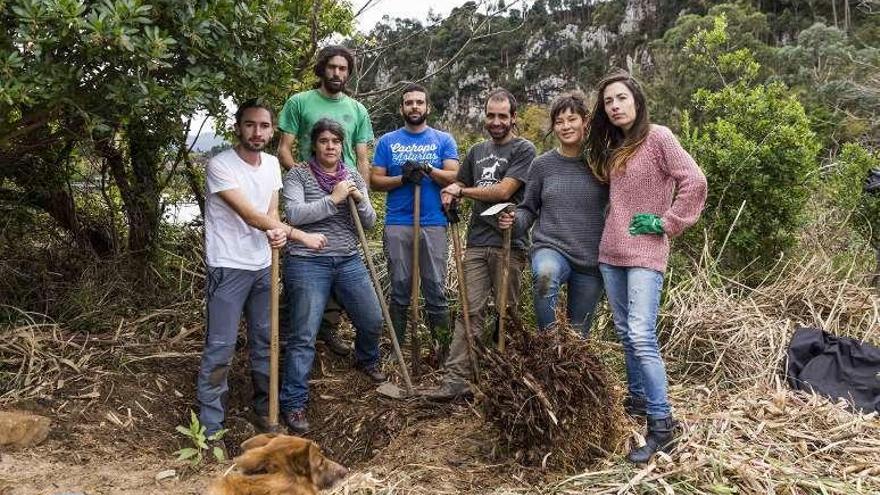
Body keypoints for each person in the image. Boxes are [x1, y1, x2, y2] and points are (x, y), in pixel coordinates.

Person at [586, 70, 707, 463]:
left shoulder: (658, 137)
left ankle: (662, 425)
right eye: (608, 102)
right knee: (625, 333)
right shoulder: (614, 145)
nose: (616, 106)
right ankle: (638, 401)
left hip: (646, 252)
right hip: (611, 252)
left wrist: (667, 222)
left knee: (641, 334)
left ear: (636, 100)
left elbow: (694, 180)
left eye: (621, 98)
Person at [198, 99, 327, 443]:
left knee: (266, 342)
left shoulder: (271, 164)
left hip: (264, 265)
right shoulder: (219, 165)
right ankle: (210, 428)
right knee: (221, 346)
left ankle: (265, 411)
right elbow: (250, 216)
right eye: (251, 125)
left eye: (265, 126)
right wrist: (297, 234)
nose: (258, 132)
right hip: (228, 266)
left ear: (272, 131)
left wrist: (276, 230)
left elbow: (270, 211)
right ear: (238, 127)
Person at [421, 89, 536, 400]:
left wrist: (462, 192)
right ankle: (455, 381)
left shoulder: (524, 150)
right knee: (470, 313)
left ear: (514, 118)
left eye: (502, 116)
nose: (496, 122)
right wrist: (451, 191)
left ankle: (506, 381)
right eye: (491, 115)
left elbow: (503, 192)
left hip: (509, 245)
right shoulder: (475, 151)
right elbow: (458, 182)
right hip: (476, 243)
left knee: (506, 313)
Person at [279, 118, 385, 434]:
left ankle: (367, 359)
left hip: (348, 258)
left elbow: (369, 222)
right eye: (324, 141)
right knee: (304, 334)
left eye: (335, 142)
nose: (330, 146)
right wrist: (334, 199)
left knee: (372, 319)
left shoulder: (352, 175)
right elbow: (295, 215)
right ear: (315, 144)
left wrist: (359, 200)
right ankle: (293, 403)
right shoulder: (298, 174)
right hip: (307, 260)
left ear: (342, 145)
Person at [277, 45, 374, 357]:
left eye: (343, 69)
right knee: (306, 263)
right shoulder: (300, 102)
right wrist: (307, 179)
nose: (337, 73)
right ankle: (291, 335)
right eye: (332, 67)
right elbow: (284, 149)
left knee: (341, 261)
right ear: (322, 69)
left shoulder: (357, 110)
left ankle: (328, 331)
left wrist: (362, 196)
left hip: (347, 194)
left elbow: (361, 158)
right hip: (313, 191)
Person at [498, 92, 609, 336]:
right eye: (559, 122)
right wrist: (515, 220)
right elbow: (528, 208)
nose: (566, 126)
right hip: (551, 248)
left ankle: (566, 369)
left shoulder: (602, 163)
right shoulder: (542, 165)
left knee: (578, 336)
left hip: (590, 259)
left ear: (585, 121)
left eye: (572, 119)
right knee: (545, 276)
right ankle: (547, 343)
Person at [370, 84, 460, 357]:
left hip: (433, 222)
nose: (414, 107)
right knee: (399, 287)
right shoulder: (387, 141)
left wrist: (429, 169)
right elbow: (375, 180)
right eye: (409, 103)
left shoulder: (443, 140)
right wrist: (403, 178)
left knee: (435, 288)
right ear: (402, 108)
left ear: (427, 107)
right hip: (399, 221)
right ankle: (397, 352)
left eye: (419, 102)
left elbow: (453, 176)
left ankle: (442, 352)